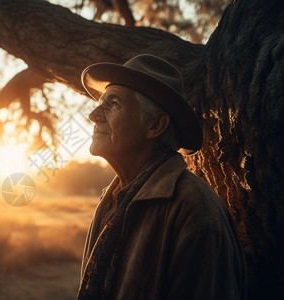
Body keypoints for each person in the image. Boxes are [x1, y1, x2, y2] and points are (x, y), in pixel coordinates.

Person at [77, 54, 247, 299]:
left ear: (155, 125)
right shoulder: (113, 197)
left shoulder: (194, 209)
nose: (93, 115)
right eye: (101, 102)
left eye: (113, 103)